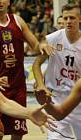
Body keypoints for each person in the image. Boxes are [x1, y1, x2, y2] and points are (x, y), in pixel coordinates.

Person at [0, 0, 54, 140]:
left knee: (18, 133)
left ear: (8, 2)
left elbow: (35, 45)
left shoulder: (18, 21)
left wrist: (42, 45)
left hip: (18, 87)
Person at [33, 3, 81, 140]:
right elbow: (36, 64)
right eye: (65, 18)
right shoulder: (53, 38)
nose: (68, 21)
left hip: (77, 100)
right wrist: (41, 84)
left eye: (72, 18)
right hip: (55, 98)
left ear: (80, 19)